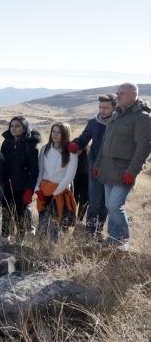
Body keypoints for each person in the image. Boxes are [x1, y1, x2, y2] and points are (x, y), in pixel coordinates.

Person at [94, 82, 151, 248]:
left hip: (124, 171)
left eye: (122, 93)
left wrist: (132, 171)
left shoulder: (142, 117)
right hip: (107, 169)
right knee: (109, 206)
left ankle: (123, 241)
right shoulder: (116, 115)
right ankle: (113, 239)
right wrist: (98, 164)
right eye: (117, 93)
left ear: (134, 95)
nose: (118, 96)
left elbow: (144, 147)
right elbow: (105, 143)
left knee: (114, 205)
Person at [68, 93, 116, 237]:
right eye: (100, 107)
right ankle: (89, 234)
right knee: (94, 201)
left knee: (106, 204)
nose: (102, 110)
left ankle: (99, 232)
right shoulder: (93, 123)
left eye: (106, 107)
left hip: (114, 169)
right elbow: (84, 139)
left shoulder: (119, 122)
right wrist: (75, 144)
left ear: (114, 107)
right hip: (94, 166)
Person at [0, 116, 41, 241]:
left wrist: (29, 190)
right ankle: (4, 242)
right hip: (6, 186)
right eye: (12, 126)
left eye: (17, 126)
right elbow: (1, 164)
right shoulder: (6, 142)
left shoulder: (30, 145)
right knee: (6, 215)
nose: (13, 129)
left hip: (22, 188)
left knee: (20, 216)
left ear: (24, 128)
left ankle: (20, 243)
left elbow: (34, 170)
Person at [35, 123, 78, 241]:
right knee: (42, 222)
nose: (55, 134)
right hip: (44, 190)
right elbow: (40, 171)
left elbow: (70, 175)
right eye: (53, 131)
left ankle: (53, 249)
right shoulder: (45, 149)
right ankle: (41, 248)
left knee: (56, 224)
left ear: (65, 134)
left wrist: (56, 192)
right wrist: (37, 189)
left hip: (60, 191)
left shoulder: (70, 152)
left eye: (58, 132)